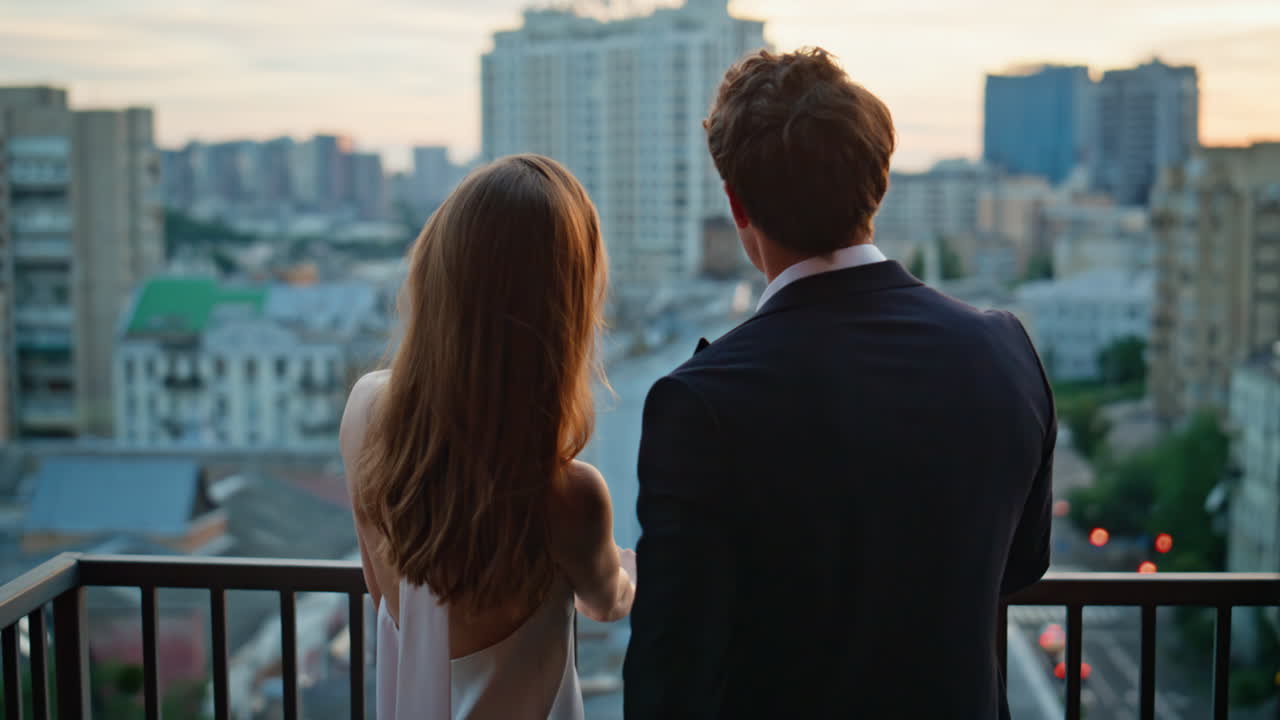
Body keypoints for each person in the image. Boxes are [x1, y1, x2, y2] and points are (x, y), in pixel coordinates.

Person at [623, 48, 1055, 719]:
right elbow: (1022, 565)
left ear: (737, 204)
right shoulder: (1003, 350)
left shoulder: (702, 403)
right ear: (875, 183)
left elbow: (670, 674)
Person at [341, 154, 636, 720]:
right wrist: (628, 571)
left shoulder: (365, 412)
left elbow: (382, 592)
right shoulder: (567, 494)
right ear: (563, 309)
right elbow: (605, 601)